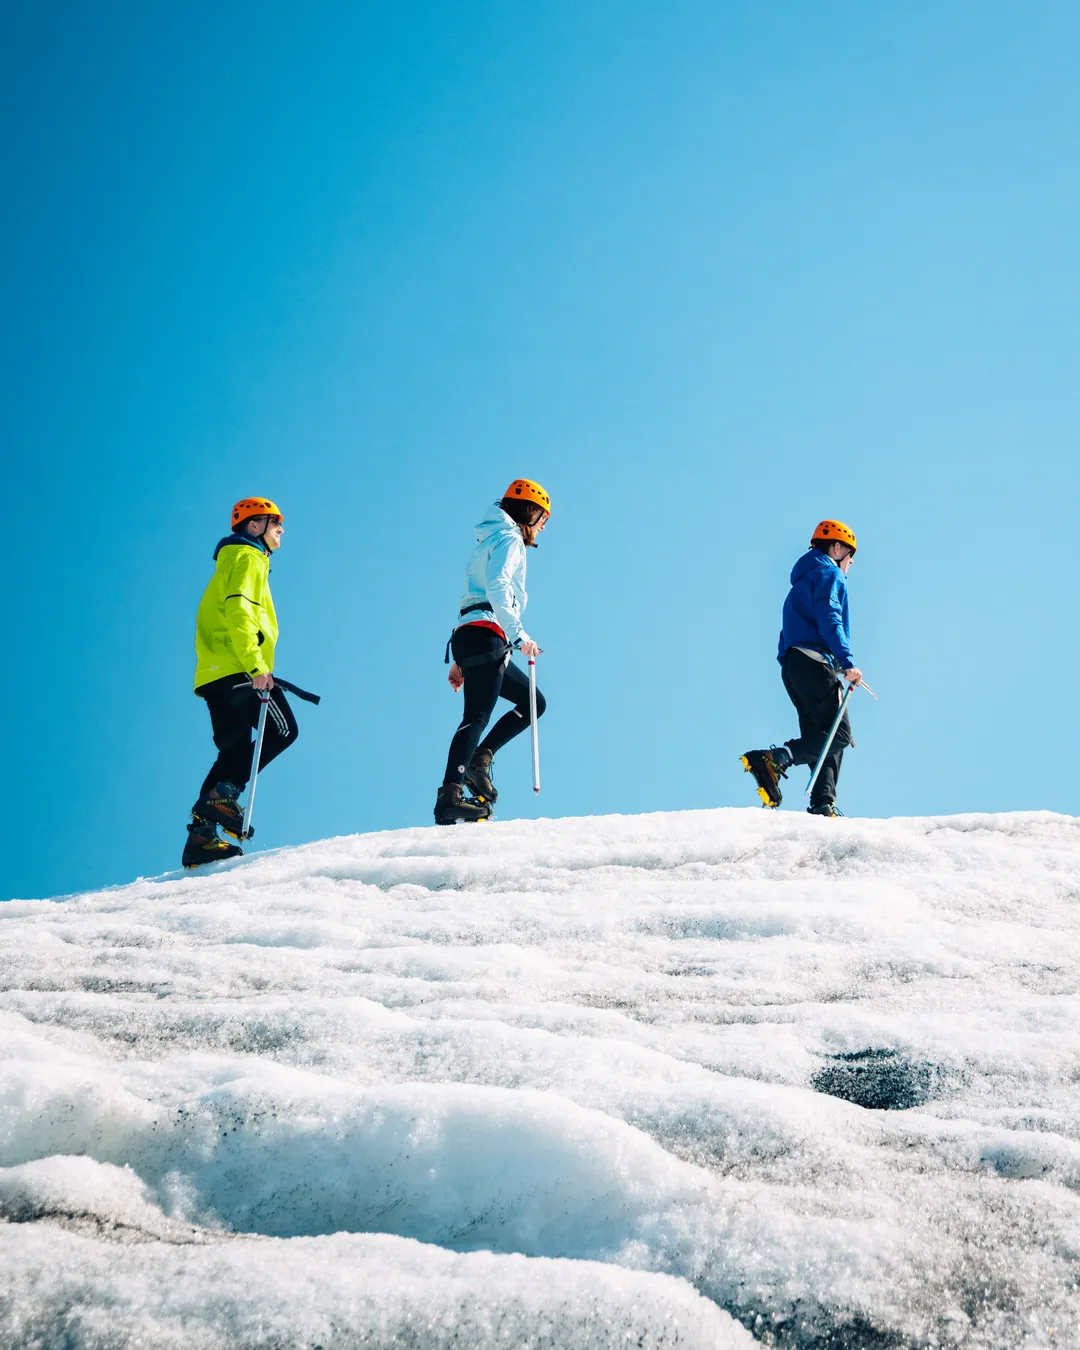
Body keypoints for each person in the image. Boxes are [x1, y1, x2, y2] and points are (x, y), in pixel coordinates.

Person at [183, 497, 299, 867]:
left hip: (216, 675)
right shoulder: (249, 558)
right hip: (240, 671)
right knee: (283, 731)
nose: (281, 529)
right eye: (274, 522)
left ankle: (201, 838)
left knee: (233, 751)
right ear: (255, 526)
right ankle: (225, 795)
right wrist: (255, 667)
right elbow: (240, 610)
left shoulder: (233, 561)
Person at [435, 479, 550, 825]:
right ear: (529, 512)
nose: (544, 525)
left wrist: (460, 661)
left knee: (533, 703)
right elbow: (497, 587)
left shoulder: (492, 538)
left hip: (471, 635)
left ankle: (480, 758)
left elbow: (476, 595)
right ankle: (450, 796)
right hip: (489, 634)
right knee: (477, 717)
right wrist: (519, 636)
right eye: (543, 517)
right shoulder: (511, 540)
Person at [741, 519, 863, 818]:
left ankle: (823, 804)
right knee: (839, 735)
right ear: (836, 548)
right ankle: (775, 758)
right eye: (850, 555)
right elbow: (830, 618)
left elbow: (790, 633)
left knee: (827, 733)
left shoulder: (801, 583)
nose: (850, 563)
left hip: (795, 666)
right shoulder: (828, 574)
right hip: (814, 662)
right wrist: (847, 662)